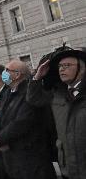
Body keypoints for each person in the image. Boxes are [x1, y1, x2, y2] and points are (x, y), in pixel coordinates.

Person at [28, 46, 86, 179]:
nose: (61, 69)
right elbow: (33, 99)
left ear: (82, 68)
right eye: (59, 66)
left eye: (67, 65)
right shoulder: (58, 94)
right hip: (68, 168)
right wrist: (37, 77)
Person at [0, 60, 56, 179]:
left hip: (31, 159)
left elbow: (21, 122)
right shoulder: (8, 93)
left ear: (18, 75)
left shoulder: (29, 92)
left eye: (7, 70)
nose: (4, 73)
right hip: (13, 159)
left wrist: (0, 140)